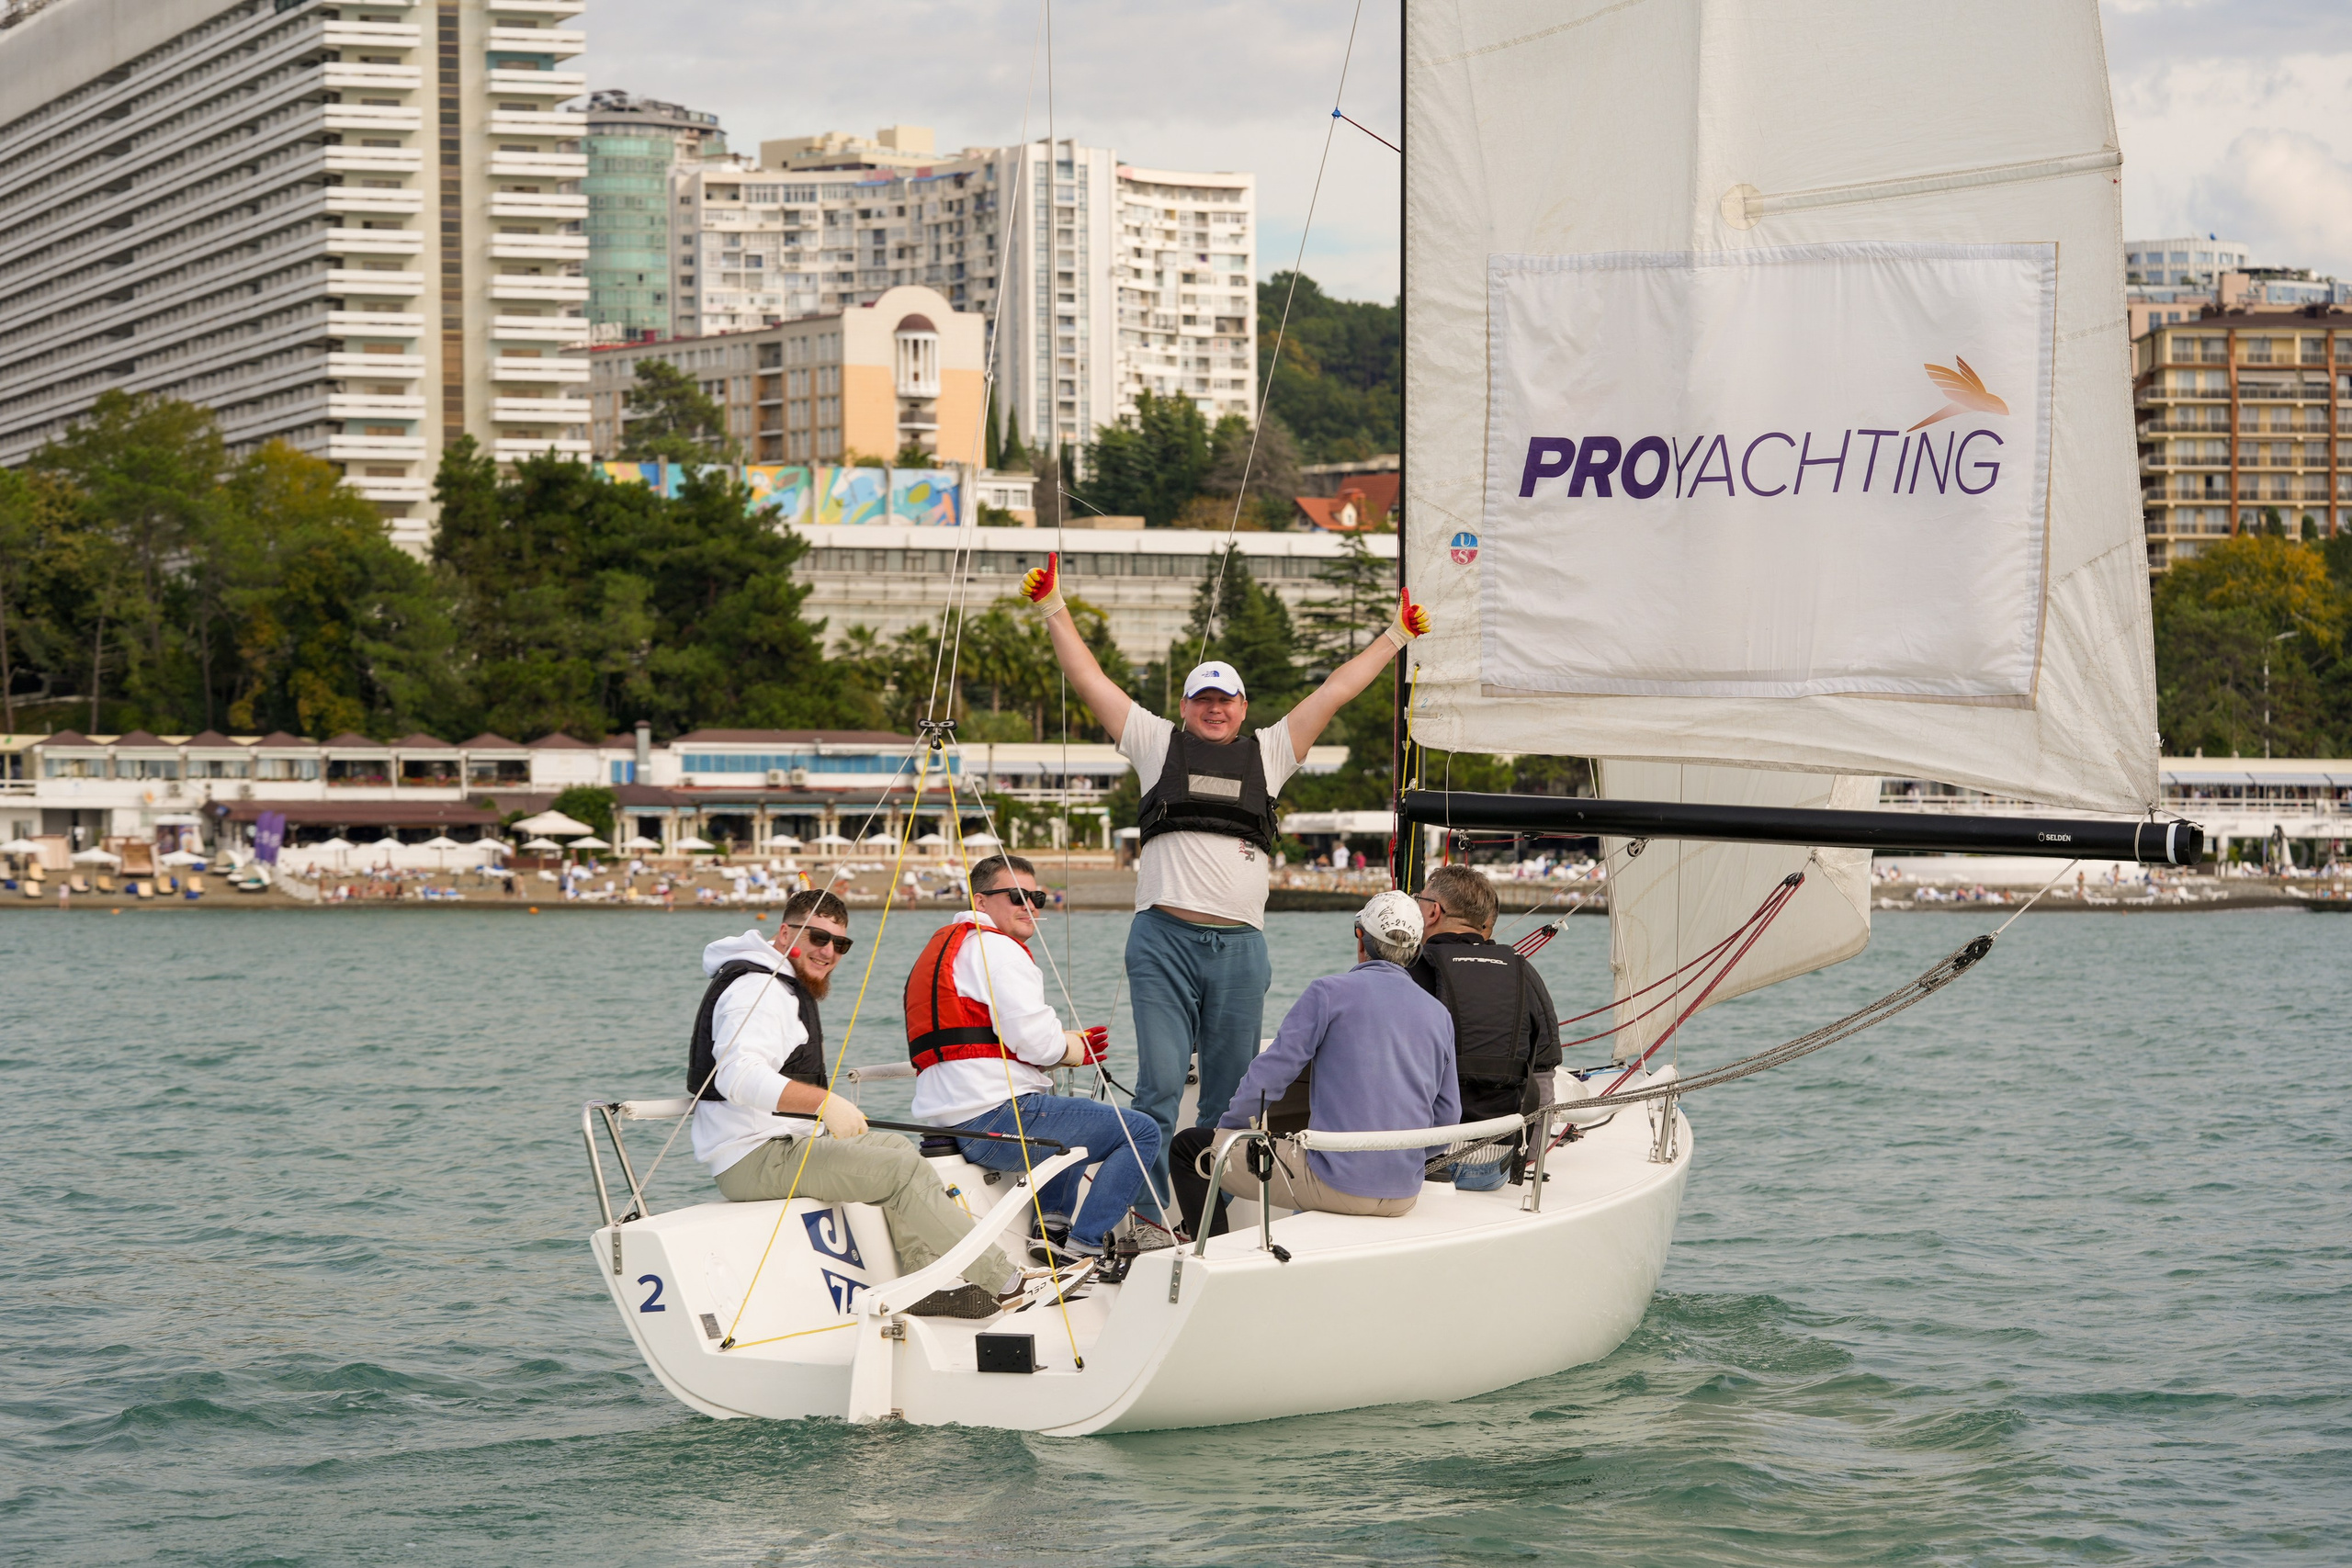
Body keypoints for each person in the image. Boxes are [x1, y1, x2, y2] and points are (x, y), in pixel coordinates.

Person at [1019, 549, 1430, 1197]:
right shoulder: (1155, 743)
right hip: (1163, 943)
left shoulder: (1271, 752)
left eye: (1226, 699)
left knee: (1230, 1095)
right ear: (1184, 707)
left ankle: (1202, 1212)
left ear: (1244, 708)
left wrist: (1395, 636)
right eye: (1202, 699)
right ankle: (1147, 1207)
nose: (1215, 709)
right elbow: (1090, 679)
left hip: (1239, 950)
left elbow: (1335, 691)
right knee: (1156, 1087)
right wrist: (1053, 608)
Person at [691, 887, 1023, 1319]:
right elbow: (736, 1074)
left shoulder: (779, 984)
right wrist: (825, 1103)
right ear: (785, 933)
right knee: (900, 1172)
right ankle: (1008, 1282)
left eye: (840, 944)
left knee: (897, 1150)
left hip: (777, 1144)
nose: (829, 952)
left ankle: (924, 1282)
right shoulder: (758, 991)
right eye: (817, 939)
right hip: (753, 1155)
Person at [907, 854, 1166, 1262]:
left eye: (1036, 896)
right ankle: (1084, 1247)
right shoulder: (1000, 950)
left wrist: (1055, 1046)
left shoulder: (948, 949)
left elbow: (989, 1036)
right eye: (1015, 896)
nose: (1029, 905)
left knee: (1062, 1115)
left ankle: (1052, 1230)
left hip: (951, 1122)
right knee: (1141, 1132)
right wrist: (1071, 1049)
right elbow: (1034, 1042)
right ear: (981, 901)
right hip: (994, 1120)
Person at [1169, 890, 1458, 1236]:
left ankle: (1212, 1256)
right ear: (1415, 952)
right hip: (1404, 1193)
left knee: (1189, 1149)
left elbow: (1270, 1074)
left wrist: (1228, 1133)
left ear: (1360, 937)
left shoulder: (1328, 992)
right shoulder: (1438, 1014)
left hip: (1337, 1185)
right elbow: (1447, 1117)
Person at [1408, 864, 1562, 1190]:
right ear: (1486, 926)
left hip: (1420, 1162)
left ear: (1433, 911)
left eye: (1418, 900)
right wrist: (1529, 1158)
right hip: (1493, 1165)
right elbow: (1544, 1078)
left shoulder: (1409, 969)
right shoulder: (1524, 972)